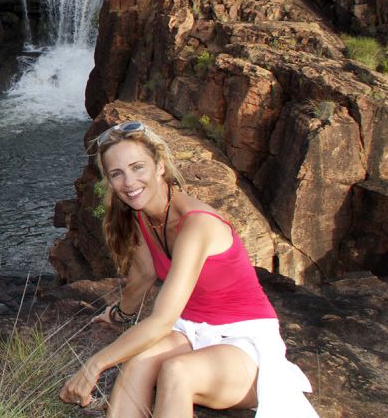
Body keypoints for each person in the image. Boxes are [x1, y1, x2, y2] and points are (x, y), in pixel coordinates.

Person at [59, 120, 317, 418]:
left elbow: (161, 321)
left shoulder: (196, 225)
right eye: (117, 174)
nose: (129, 182)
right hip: (192, 331)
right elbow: (142, 275)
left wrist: (94, 365)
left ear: (159, 166)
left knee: (177, 372)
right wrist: (120, 316)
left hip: (245, 345)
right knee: (139, 357)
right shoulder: (143, 214)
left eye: (137, 167)